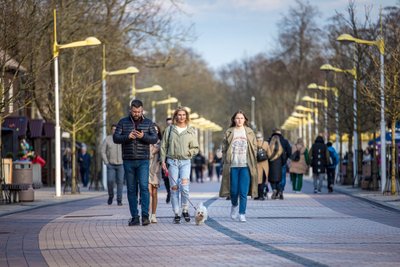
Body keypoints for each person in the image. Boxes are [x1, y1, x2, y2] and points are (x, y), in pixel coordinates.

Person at [113, 99, 158, 226]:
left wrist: (142, 136)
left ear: (142, 110)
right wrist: (128, 137)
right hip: (128, 160)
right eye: (134, 111)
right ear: (130, 110)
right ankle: (134, 217)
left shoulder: (149, 123)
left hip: (143, 160)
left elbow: (154, 138)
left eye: (139, 111)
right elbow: (116, 138)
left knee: (144, 187)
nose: (137, 113)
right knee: (132, 190)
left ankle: (145, 216)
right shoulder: (123, 122)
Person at [160, 107, 199, 224]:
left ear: (186, 117)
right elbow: (163, 146)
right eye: (179, 115)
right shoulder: (170, 130)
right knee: (174, 188)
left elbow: (195, 148)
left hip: (185, 162)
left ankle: (185, 209)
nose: (181, 117)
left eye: (183, 115)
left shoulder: (191, 130)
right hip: (172, 162)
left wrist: (189, 153)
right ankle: (176, 212)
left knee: (185, 187)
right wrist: (163, 161)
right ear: (175, 116)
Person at [219, 110, 258, 222]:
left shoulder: (250, 132)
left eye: (241, 118)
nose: (239, 120)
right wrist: (225, 158)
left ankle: (242, 213)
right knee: (234, 191)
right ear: (234, 120)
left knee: (243, 192)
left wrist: (253, 156)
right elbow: (224, 148)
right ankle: (234, 205)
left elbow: (254, 147)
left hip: (246, 165)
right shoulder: (229, 132)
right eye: (237, 118)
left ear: (245, 120)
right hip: (232, 166)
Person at [101, 124, 124, 206]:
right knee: (110, 181)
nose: (115, 130)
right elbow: (103, 151)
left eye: (116, 129)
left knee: (120, 182)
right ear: (111, 130)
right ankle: (111, 196)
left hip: (121, 164)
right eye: (113, 129)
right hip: (111, 164)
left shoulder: (122, 138)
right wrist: (106, 162)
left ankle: (119, 200)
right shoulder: (107, 139)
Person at [269, 129, 291, 199]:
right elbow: (289, 152)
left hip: (272, 163)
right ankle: (281, 190)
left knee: (272, 177)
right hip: (282, 163)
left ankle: (274, 189)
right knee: (282, 178)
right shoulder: (285, 141)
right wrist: (285, 160)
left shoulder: (269, 141)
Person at [149, 124, 162, 223]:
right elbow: (149, 154)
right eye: (153, 130)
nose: (155, 131)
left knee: (154, 193)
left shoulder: (161, 143)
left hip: (156, 170)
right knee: (148, 192)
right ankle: (147, 214)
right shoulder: (146, 141)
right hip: (146, 169)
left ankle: (154, 215)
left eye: (157, 130)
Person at [268, 135, 286, 199]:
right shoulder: (281, 149)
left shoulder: (269, 148)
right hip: (279, 167)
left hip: (271, 166)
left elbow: (267, 157)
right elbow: (284, 158)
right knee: (278, 180)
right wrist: (282, 164)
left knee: (272, 180)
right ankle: (280, 191)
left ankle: (274, 190)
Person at [254, 131, 270, 200]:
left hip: (256, 165)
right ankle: (261, 195)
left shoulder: (253, 143)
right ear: (262, 137)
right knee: (263, 181)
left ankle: (256, 195)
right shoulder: (266, 143)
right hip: (264, 165)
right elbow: (269, 154)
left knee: (257, 181)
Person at [162, 117, 173, 204]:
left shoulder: (176, 132)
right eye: (168, 123)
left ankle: (173, 192)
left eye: (171, 123)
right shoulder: (164, 132)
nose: (169, 125)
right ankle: (169, 192)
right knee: (165, 177)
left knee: (173, 177)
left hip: (173, 158)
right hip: (165, 159)